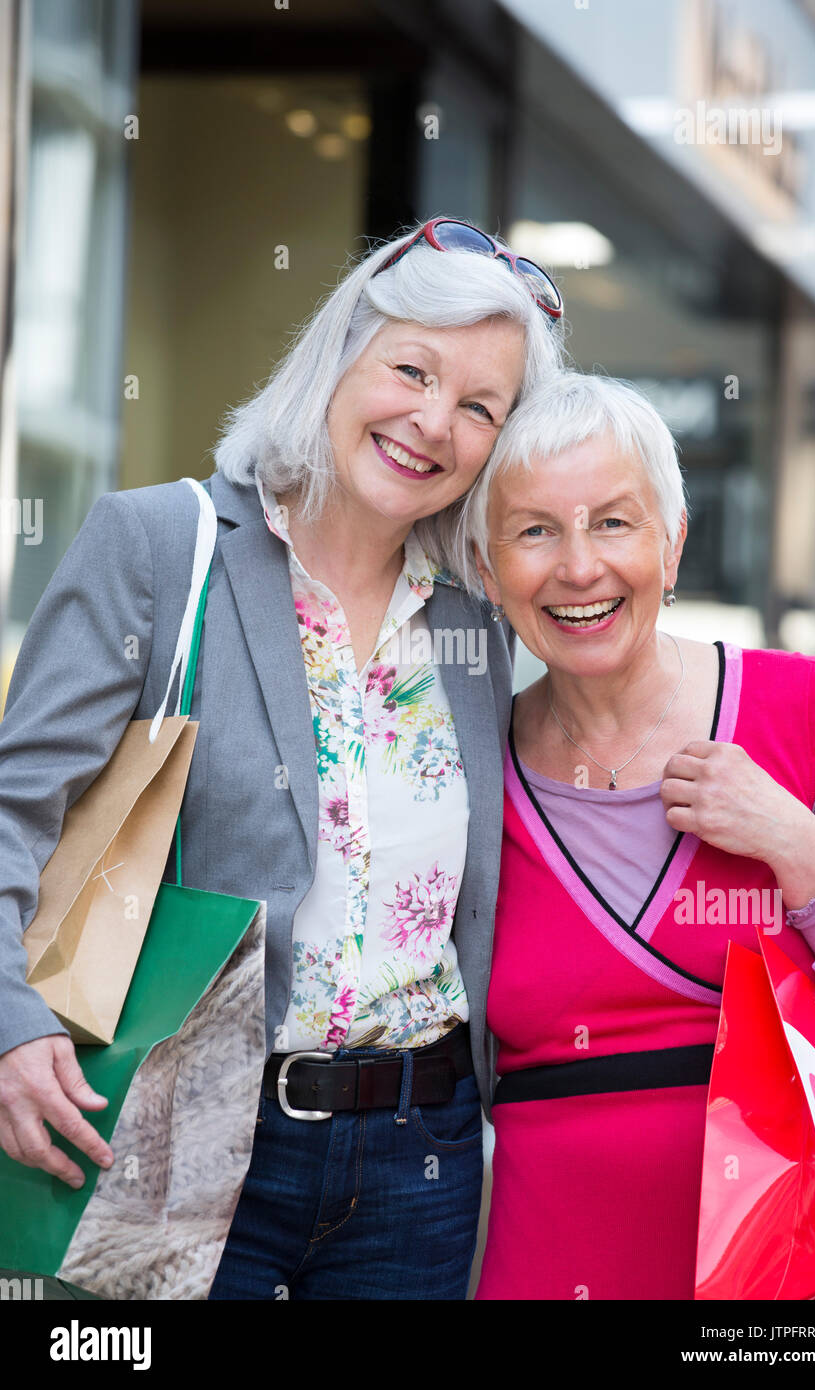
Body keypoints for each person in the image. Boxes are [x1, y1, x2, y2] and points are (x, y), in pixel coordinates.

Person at [0, 219, 565, 1300]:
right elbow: (12, 808)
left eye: (478, 407)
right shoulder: (162, 549)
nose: (431, 422)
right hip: (184, 1135)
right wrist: (9, 1024)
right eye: (411, 369)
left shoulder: (472, 632)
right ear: (337, 357)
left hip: (420, 1158)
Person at [461, 370, 815, 1300]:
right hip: (541, 1258)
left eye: (614, 522)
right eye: (534, 531)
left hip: (782, 1266)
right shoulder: (471, 763)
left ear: (673, 544)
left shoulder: (809, 711)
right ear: (489, 572)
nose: (578, 567)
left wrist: (797, 848)